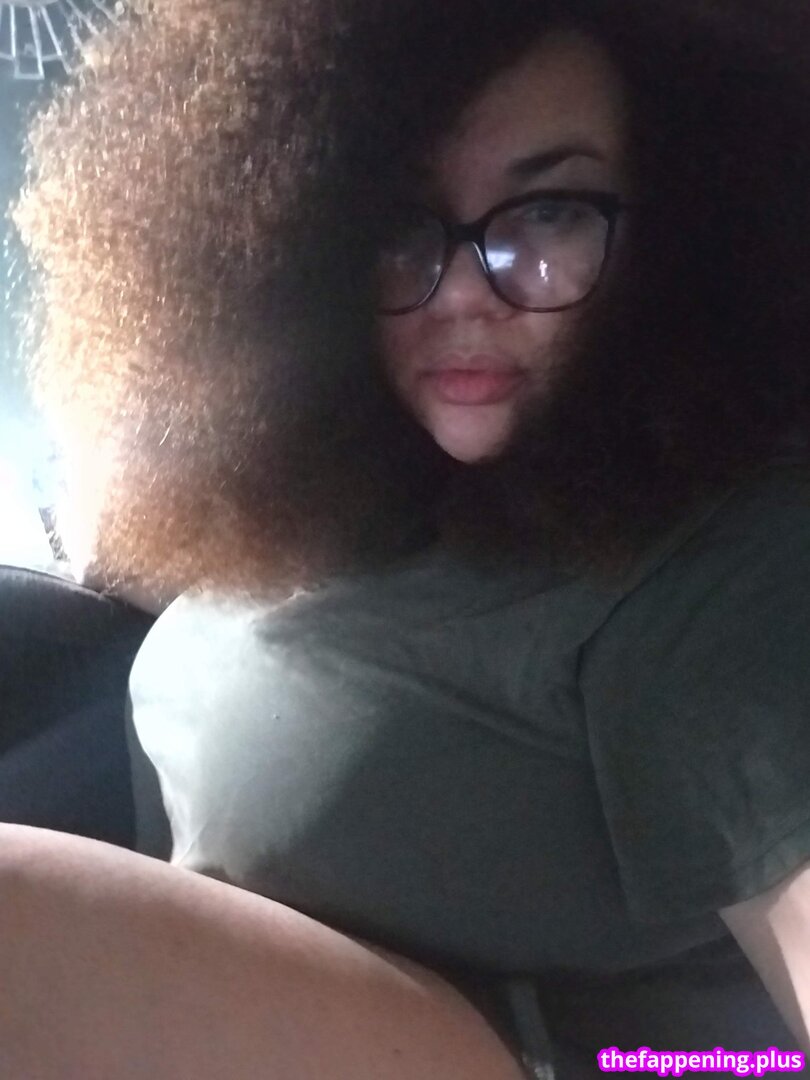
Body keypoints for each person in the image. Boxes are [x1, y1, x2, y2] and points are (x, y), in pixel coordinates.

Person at [3, 0, 810, 1076]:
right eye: (401, 224)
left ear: (686, 223)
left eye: (549, 214)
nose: (463, 293)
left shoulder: (734, 569)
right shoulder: (370, 476)